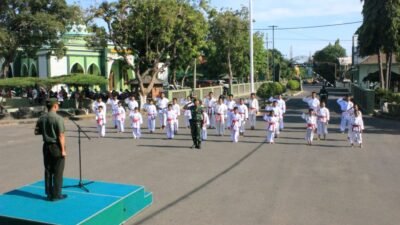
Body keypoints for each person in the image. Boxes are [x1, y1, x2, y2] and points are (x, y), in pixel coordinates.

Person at [34, 98, 67, 201]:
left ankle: (49, 193)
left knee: (48, 170)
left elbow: (36, 132)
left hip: (46, 146)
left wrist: (46, 131)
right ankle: (56, 195)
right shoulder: (58, 118)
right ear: (55, 106)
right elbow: (61, 135)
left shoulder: (42, 118)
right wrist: (63, 150)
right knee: (58, 171)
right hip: (56, 146)